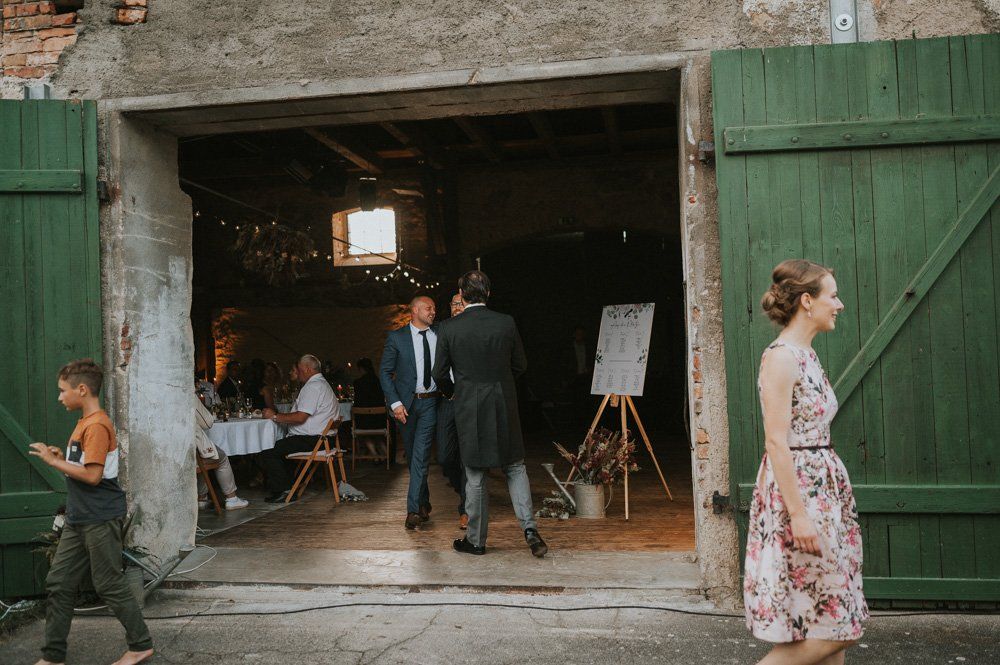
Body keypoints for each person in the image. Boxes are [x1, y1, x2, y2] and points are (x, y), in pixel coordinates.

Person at [745, 259, 867, 664]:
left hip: (822, 491)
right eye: (833, 295)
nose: (840, 304)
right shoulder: (781, 358)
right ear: (807, 301)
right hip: (799, 496)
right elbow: (776, 443)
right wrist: (798, 515)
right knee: (839, 627)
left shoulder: (806, 355)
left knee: (826, 617)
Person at [28, 359, 154, 665]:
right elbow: (84, 467)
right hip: (79, 517)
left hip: (99, 517)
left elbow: (93, 476)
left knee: (108, 582)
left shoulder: (96, 424)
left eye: (63, 391)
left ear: (81, 389)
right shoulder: (85, 423)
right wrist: (63, 457)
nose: (59, 397)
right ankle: (53, 656)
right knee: (59, 583)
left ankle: (140, 646)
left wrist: (53, 462)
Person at [432, 271, 547, 558]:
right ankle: (530, 530)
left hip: (469, 405)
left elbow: (438, 375)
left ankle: (476, 540)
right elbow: (520, 364)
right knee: (515, 467)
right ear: (488, 293)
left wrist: (454, 393)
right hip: (502, 402)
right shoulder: (505, 322)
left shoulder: (448, 328)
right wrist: (501, 384)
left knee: (475, 473)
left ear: (462, 292)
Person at [379, 295, 440, 530]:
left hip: (431, 403)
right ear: (414, 310)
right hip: (405, 406)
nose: (433, 312)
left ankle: (413, 510)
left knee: (420, 455)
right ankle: (424, 502)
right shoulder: (397, 337)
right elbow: (385, 372)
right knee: (415, 456)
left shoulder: (439, 335)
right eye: (428, 308)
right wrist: (395, 404)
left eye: (434, 308)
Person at [260, 354, 338, 503]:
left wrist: (275, 416)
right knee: (282, 447)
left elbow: (300, 417)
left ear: (307, 369)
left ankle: (284, 490)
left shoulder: (313, 386)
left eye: (300, 370)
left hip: (313, 440)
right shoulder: (322, 383)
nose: (298, 373)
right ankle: (290, 485)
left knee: (268, 450)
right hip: (324, 439)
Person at [436, 293, 468, 529]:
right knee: (445, 457)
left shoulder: (473, 331)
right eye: (454, 304)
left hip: (470, 399)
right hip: (448, 398)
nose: (457, 307)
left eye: (461, 303)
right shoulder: (440, 331)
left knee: (468, 456)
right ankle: (463, 488)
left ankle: (467, 508)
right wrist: (449, 391)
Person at [193, 393, 249, 511]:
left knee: (204, 456)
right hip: (192, 452)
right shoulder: (185, 392)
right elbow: (207, 422)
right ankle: (232, 498)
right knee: (220, 457)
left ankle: (201, 498)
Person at [352, 357, 387, 458]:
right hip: (379, 421)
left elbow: (358, 402)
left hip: (364, 423)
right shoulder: (378, 381)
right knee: (378, 435)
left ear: (361, 369)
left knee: (365, 432)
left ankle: (375, 455)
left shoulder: (358, 383)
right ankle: (385, 454)